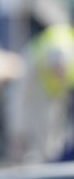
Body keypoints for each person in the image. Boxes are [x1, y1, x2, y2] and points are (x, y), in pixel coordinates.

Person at [6, 24, 74, 163]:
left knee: (54, 129)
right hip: (37, 85)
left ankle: (50, 155)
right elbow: (19, 99)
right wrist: (17, 132)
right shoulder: (34, 61)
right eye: (55, 70)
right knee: (37, 121)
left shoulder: (69, 65)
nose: (58, 75)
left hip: (54, 92)